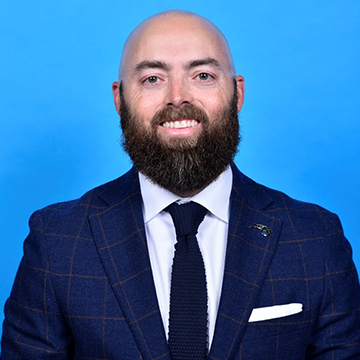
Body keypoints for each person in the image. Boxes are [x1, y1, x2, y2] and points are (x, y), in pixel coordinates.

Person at [1, 9, 360, 360]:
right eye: (152, 79)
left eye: (202, 75)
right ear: (119, 99)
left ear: (237, 94)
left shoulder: (316, 240)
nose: (177, 96)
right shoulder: (56, 243)